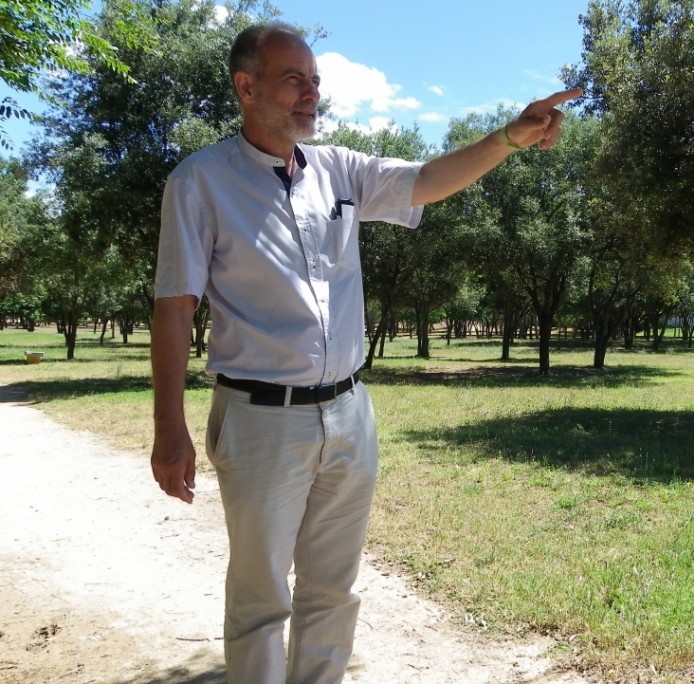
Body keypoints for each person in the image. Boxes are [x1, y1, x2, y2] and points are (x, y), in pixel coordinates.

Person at [149, 23, 580, 684]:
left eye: (315, 82)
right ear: (246, 86)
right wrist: (168, 427)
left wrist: (508, 137)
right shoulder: (199, 182)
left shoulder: (339, 170)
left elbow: (429, 178)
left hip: (350, 414)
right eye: (294, 79)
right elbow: (175, 306)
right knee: (262, 599)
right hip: (261, 419)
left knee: (334, 591)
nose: (310, 95)